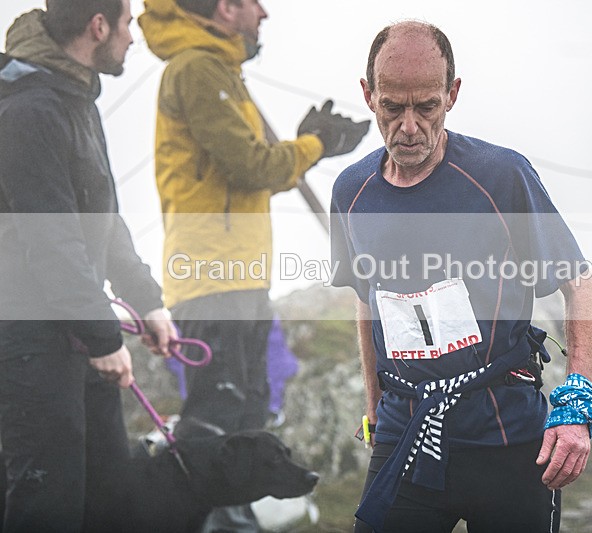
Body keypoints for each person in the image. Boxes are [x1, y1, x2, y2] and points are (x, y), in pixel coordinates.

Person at [330, 21, 592, 533]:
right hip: (407, 432)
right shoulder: (352, 191)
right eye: (392, 108)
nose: (409, 127)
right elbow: (369, 301)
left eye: (426, 106)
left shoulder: (501, 176)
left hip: (506, 435)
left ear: (452, 95)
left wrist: (578, 396)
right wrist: (374, 405)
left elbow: (580, 282)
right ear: (368, 95)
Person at [138, 0, 368, 530]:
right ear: (224, 8)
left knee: (245, 416)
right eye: (252, 2)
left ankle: (229, 522)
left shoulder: (220, 70)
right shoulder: (197, 68)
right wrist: (316, 144)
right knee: (217, 421)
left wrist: (304, 146)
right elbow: (250, 167)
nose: (263, 12)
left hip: (237, 277)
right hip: (210, 277)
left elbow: (249, 170)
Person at [0, 1, 177, 531]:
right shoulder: (29, 109)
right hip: (29, 342)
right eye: (127, 24)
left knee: (108, 493)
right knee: (48, 501)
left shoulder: (74, 98)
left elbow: (104, 220)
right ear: (98, 27)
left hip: (76, 329)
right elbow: (50, 239)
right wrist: (102, 336)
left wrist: (148, 302)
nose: (132, 38)